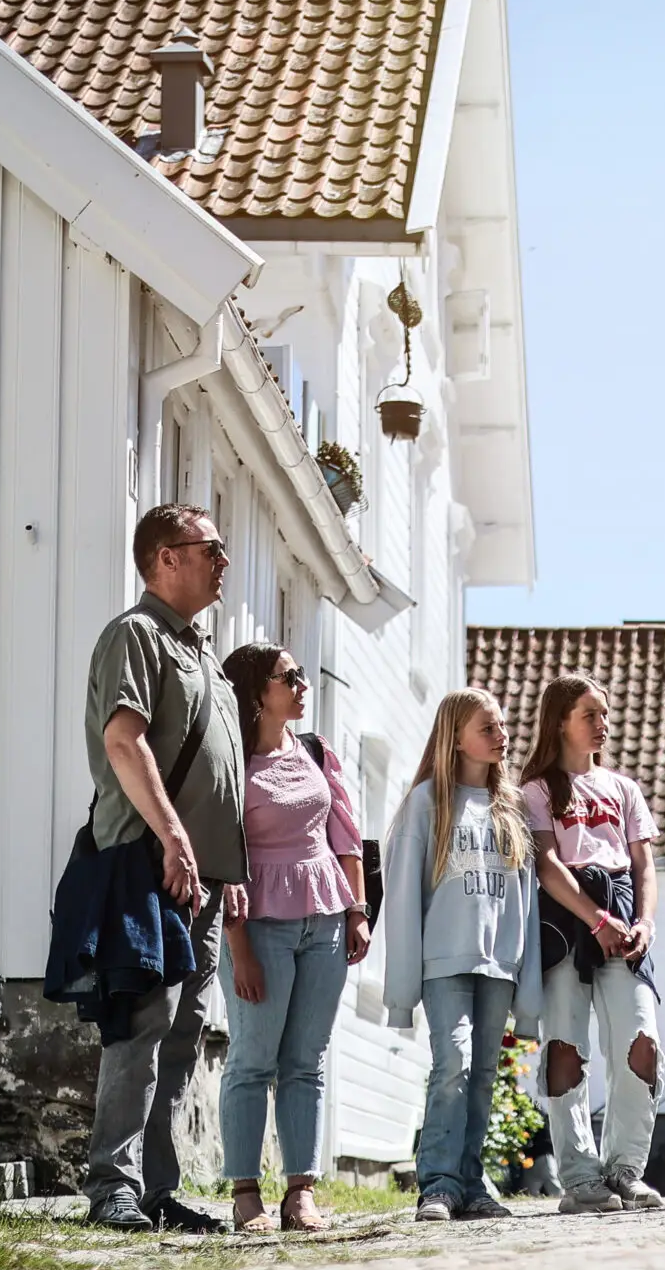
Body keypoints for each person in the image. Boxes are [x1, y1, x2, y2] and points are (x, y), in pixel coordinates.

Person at [79, 504, 247, 1233]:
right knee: (142, 1023)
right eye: (211, 548)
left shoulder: (204, 654)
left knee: (184, 1033)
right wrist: (176, 839)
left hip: (203, 876)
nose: (224, 561)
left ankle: (154, 1187)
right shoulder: (136, 635)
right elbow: (126, 741)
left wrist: (227, 867)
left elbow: (222, 772)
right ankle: (111, 1184)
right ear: (165, 558)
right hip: (150, 859)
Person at [216, 643, 369, 1233]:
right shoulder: (229, 761)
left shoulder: (314, 751)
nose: (303, 685)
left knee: (306, 1061)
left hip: (325, 918)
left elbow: (346, 837)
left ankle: (300, 1193)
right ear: (259, 692)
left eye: (303, 676)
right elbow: (223, 858)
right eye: (291, 678)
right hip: (259, 924)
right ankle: (246, 1194)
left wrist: (356, 912)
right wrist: (240, 950)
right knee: (253, 1060)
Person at [382, 690, 542, 1222]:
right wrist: (401, 992)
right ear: (455, 737)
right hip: (443, 964)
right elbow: (403, 899)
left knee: (484, 1072)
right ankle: (438, 1184)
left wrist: (528, 988)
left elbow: (526, 902)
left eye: (502, 726)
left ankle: (473, 1184)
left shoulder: (510, 809)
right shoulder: (427, 803)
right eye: (488, 727)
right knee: (454, 1062)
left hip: (499, 966)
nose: (503, 736)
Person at [519, 676, 665, 1216]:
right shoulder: (535, 789)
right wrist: (594, 918)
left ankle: (626, 1170)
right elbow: (548, 866)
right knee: (565, 1046)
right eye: (591, 714)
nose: (603, 723)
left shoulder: (624, 788)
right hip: (566, 921)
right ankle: (579, 1178)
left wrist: (643, 922)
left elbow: (645, 865)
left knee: (641, 1040)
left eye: (604, 713)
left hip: (624, 916)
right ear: (560, 721)